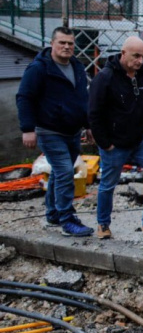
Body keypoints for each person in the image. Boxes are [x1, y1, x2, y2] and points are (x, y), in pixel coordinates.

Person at [89, 36, 143, 239]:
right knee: (108, 184)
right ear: (123, 53)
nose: (140, 61)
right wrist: (105, 143)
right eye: (136, 56)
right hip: (114, 142)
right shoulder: (105, 78)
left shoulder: (142, 74)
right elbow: (94, 112)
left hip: (140, 139)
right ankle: (103, 224)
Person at [16, 27, 94, 237]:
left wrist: (88, 125)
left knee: (62, 172)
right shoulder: (39, 69)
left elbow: (82, 99)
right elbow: (24, 97)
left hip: (72, 130)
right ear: (52, 43)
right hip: (49, 130)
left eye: (70, 43)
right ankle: (67, 220)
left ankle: (53, 214)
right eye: (62, 43)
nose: (67, 47)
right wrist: (27, 129)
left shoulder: (77, 66)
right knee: (65, 172)